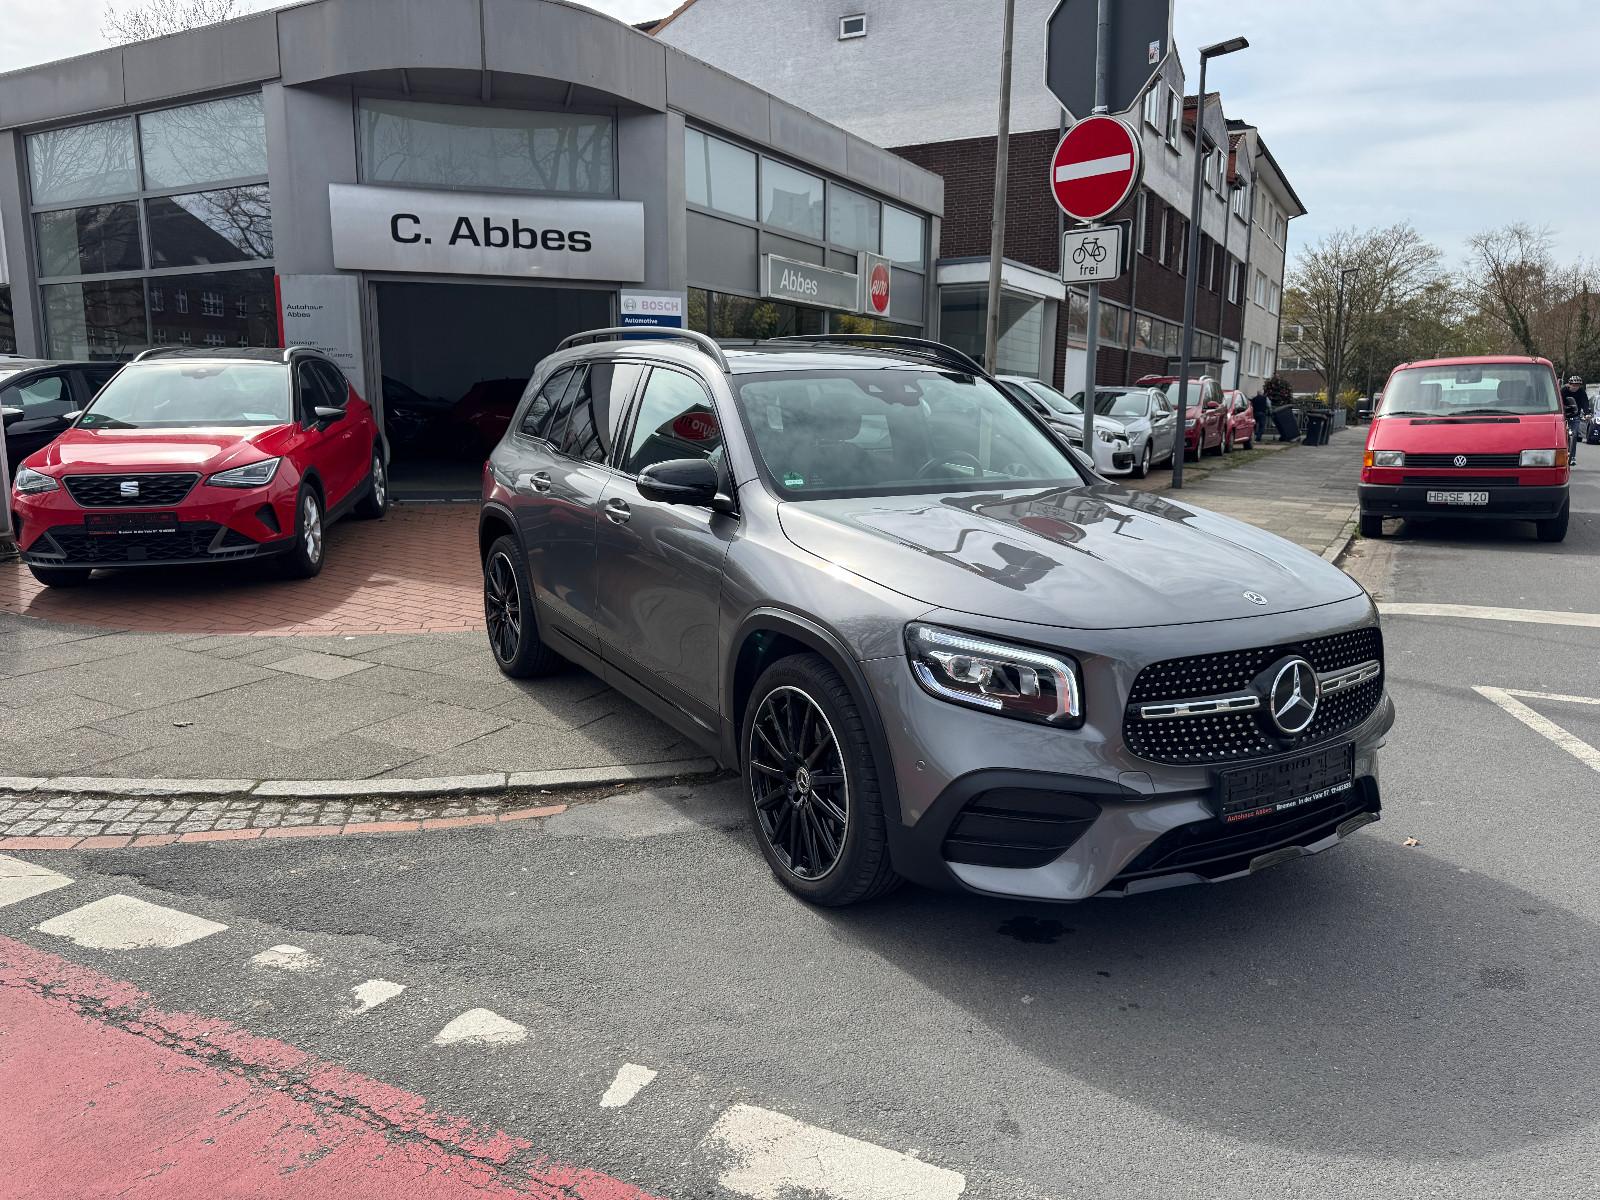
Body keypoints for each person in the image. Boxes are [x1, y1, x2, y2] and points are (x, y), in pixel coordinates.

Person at [1561, 376, 1588, 462]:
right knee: (1562, 435)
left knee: (1574, 435)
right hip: (1564, 415)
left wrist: (1587, 413)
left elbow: (1585, 403)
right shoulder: (1563, 391)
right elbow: (1558, 401)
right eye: (1574, 385)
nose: (1575, 387)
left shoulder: (1581, 392)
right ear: (1569, 384)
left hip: (1575, 415)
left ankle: (1572, 457)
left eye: (1577, 385)